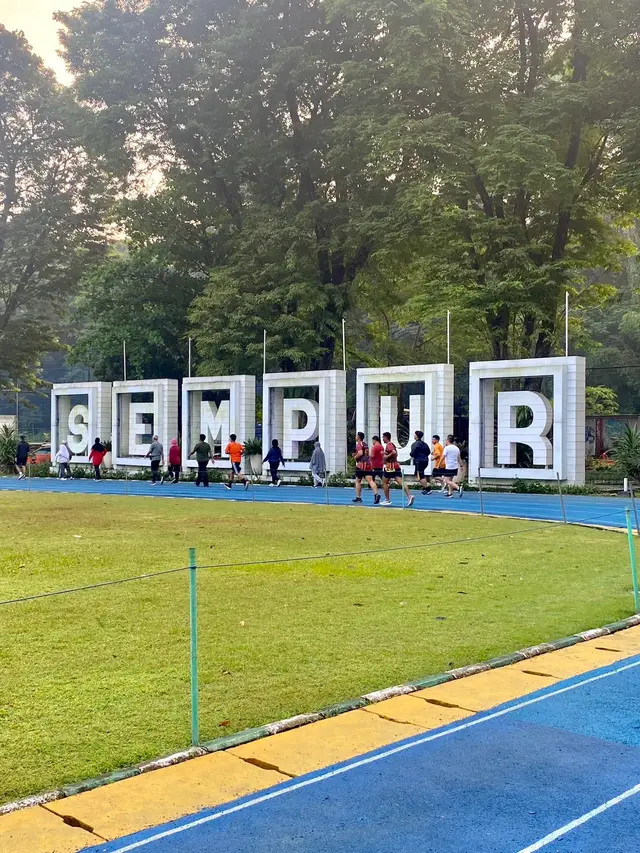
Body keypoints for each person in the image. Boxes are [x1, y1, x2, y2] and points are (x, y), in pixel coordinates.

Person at [380, 431, 414, 507]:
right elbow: (395, 453)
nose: (382, 439)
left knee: (385, 482)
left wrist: (386, 457)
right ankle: (409, 496)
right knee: (401, 482)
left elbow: (394, 452)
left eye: (383, 437)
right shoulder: (392, 445)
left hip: (390, 467)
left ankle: (387, 499)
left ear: (386, 437)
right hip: (396, 466)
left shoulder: (389, 445)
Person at [353, 431, 379, 504]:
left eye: (356, 436)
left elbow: (360, 453)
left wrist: (355, 457)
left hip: (361, 464)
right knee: (370, 480)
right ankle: (376, 494)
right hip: (368, 464)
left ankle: (358, 497)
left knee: (358, 480)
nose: (355, 437)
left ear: (358, 437)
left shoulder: (359, 444)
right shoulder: (365, 444)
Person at [409, 430, 431, 494]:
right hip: (425, 460)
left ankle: (427, 488)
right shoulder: (425, 444)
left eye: (414, 434)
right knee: (421, 473)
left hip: (419, 461)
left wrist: (413, 455)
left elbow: (412, 453)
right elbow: (428, 452)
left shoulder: (415, 444)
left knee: (419, 475)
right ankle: (425, 487)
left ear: (416, 436)